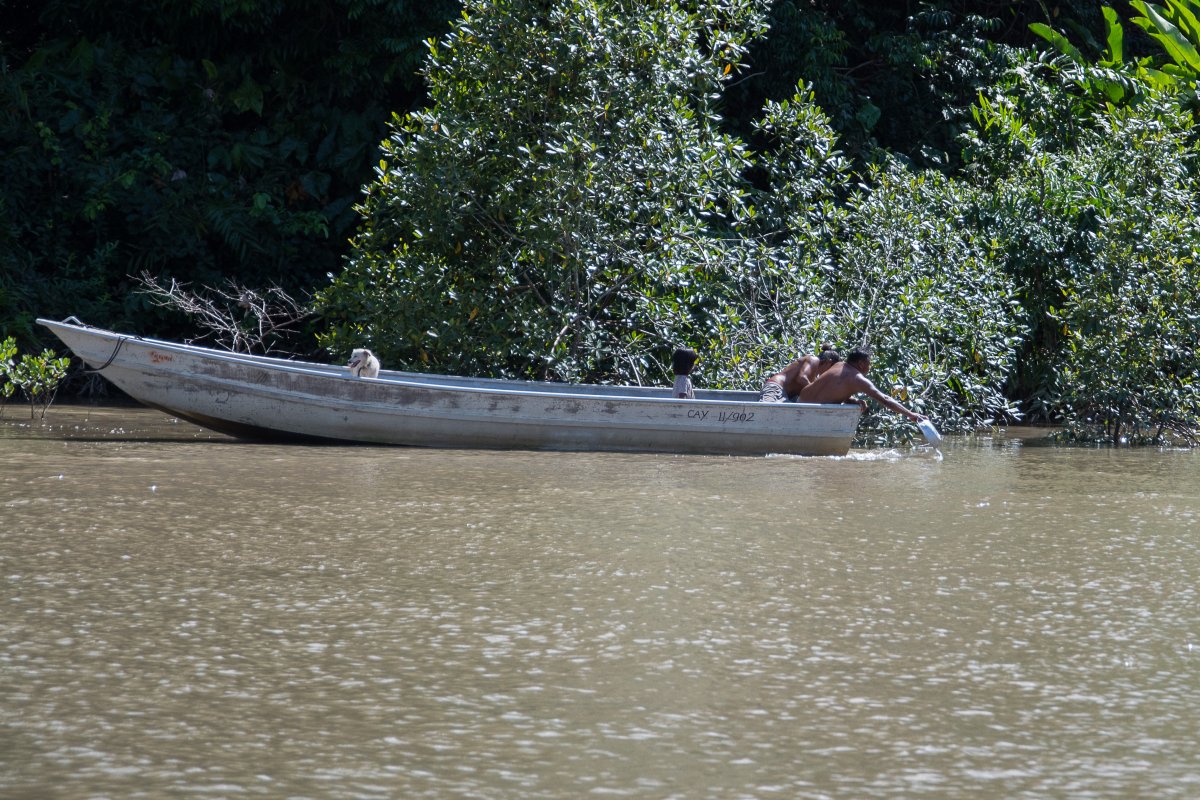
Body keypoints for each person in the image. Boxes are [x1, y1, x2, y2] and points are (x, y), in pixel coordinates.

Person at [799, 346, 927, 422]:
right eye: (869, 364)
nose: (869, 367)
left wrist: (851, 400)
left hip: (800, 402)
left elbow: (828, 389)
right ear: (861, 364)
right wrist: (911, 415)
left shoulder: (838, 365)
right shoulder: (857, 379)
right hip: (813, 412)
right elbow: (885, 400)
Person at [758, 344, 842, 403]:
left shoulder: (814, 376)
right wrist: (815, 392)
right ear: (829, 362)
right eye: (832, 369)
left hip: (784, 395)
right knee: (765, 412)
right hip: (776, 388)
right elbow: (801, 378)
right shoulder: (813, 359)